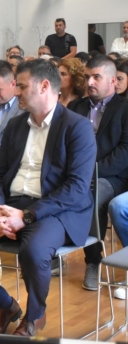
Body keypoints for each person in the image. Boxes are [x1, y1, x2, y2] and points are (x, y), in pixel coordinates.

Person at [0, 59, 97, 337]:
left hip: (54, 210)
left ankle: (34, 316)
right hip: (10, 205)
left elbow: (76, 188)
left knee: (33, 251)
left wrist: (27, 216)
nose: (16, 91)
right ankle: (2, 305)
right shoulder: (16, 125)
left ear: (44, 86)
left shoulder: (76, 127)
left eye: (21, 86)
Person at [66, 55, 128, 291]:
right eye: (87, 77)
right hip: (76, 173)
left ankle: (93, 261)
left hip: (112, 177)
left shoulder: (125, 108)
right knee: (45, 186)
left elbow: (125, 152)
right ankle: (47, 250)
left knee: (92, 194)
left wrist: (90, 172)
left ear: (112, 81)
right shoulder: (75, 107)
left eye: (96, 77)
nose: (89, 82)